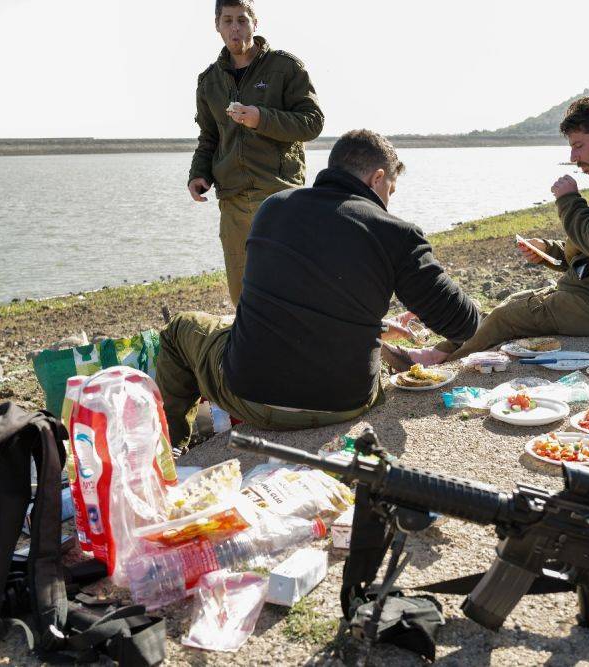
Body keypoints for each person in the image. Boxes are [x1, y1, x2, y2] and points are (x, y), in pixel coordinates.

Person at [157, 130, 480, 450]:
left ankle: (173, 449)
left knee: (179, 328)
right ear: (378, 177)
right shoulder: (396, 233)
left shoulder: (272, 208)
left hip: (251, 398)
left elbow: (286, 297)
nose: (388, 203)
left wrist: (375, 326)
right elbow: (463, 324)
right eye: (390, 191)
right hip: (346, 403)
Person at [388, 94, 589, 369]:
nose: (573, 157)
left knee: (509, 316)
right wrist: (547, 250)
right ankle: (438, 352)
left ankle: (440, 364)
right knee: (511, 302)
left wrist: (569, 200)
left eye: (579, 145)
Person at [187, 0, 324, 306]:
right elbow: (209, 137)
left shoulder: (285, 67)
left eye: (242, 20)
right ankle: (253, 351)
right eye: (228, 21)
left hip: (278, 195)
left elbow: (313, 123)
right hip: (232, 199)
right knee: (243, 294)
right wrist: (199, 174)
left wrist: (260, 118)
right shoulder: (208, 81)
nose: (235, 28)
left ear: (255, 23)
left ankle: (299, 350)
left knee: (288, 286)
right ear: (217, 26)